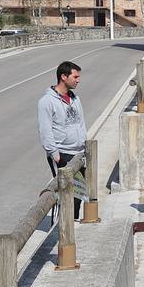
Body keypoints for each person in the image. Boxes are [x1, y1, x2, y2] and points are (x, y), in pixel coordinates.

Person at [37, 61, 86, 221]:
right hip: (62, 153)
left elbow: (80, 122)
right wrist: (54, 153)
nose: (78, 80)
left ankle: (73, 224)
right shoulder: (46, 101)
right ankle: (64, 229)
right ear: (63, 77)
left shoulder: (75, 98)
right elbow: (45, 130)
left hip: (78, 153)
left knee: (78, 194)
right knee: (67, 194)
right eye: (75, 76)